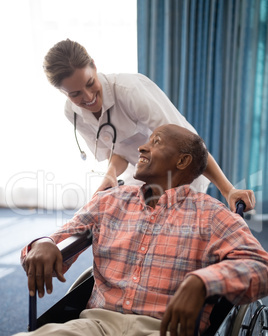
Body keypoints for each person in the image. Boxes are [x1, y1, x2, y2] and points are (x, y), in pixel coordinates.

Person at [0, 125, 267, 336]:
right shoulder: (110, 200)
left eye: (156, 142)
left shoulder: (211, 213)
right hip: (95, 327)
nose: (142, 147)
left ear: (183, 160)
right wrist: (43, 243)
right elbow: (56, 241)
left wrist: (204, 281)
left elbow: (260, 266)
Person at [43, 39, 255, 212]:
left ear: (95, 68)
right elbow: (120, 153)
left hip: (180, 174)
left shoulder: (130, 90)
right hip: (140, 178)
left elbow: (191, 147)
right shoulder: (73, 113)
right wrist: (110, 175)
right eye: (75, 94)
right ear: (62, 92)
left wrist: (228, 191)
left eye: (90, 83)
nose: (88, 97)